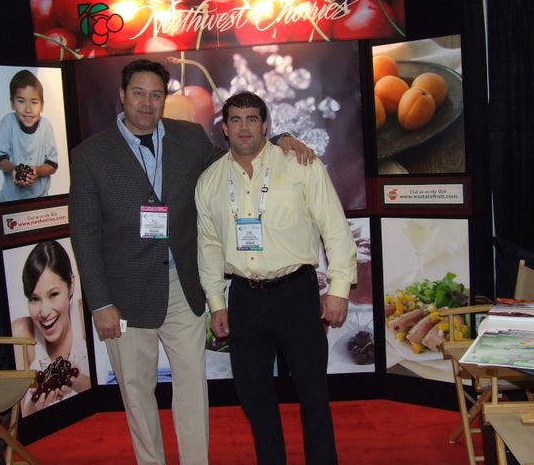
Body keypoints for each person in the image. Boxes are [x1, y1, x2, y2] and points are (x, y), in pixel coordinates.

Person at [68, 59, 313, 465]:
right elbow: (84, 234)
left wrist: (280, 138)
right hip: (124, 298)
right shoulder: (90, 156)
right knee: (137, 390)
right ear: (122, 95)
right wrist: (100, 303)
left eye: (156, 95)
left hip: (183, 287)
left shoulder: (190, 137)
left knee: (192, 386)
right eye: (138, 93)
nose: (147, 103)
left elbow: (237, 154)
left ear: (165, 99)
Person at [195, 91, 358, 464]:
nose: (244, 127)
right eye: (235, 120)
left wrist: (338, 289)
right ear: (224, 128)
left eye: (252, 119)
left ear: (266, 125)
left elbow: (334, 228)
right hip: (244, 299)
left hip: (296, 294)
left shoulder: (300, 164)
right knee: (254, 398)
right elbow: (209, 246)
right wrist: (216, 302)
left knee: (313, 394)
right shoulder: (210, 181)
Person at [14, 240, 91, 417]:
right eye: (35, 299)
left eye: (54, 294)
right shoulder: (22, 332)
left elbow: (109, 388)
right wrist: (36, 406)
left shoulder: (84, 314)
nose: (44, 312)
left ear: (71, 285)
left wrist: (77, 381)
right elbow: (22, 416)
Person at [0, 69, 58, 203]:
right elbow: (0, 159)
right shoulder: (7, 122)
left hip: (40, 199)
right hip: (9, 200)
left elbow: (52, 164)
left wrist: (36, 171)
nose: (28, 109)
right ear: (12, 103)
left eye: (34, 102)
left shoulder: (46, 126)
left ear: (42, 106)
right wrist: (15, 170)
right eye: (21, 101)